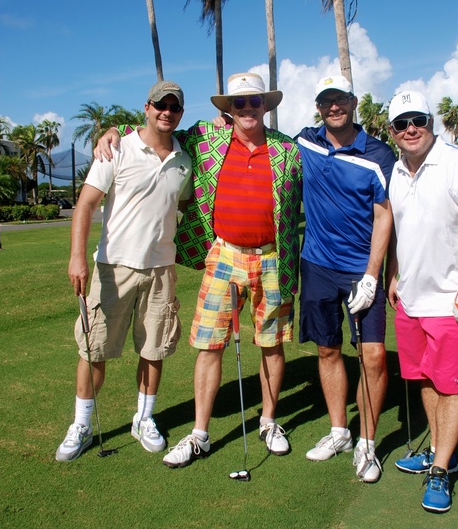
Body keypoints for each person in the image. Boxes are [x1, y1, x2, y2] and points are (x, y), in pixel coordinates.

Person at [95, 73, 303, 469]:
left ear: (265, 105)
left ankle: (268, 421)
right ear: (229, 108)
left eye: (254, 101)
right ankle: (200, 434)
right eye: (239, 102)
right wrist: (115, 130)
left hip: (272, 258)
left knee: (271, 343)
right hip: (223, 254)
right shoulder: (207, 138)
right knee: (209, 345)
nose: (247, 108)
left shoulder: (287, 149)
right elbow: (157, 131)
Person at [55, 81, 192, 462]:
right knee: (94, 349)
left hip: (161, 269)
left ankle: (143, 419)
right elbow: (85, 205)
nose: (167, 112)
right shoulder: (116, 148)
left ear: (181, 113)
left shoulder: (185, 159)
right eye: (160, 105)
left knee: (154, 349)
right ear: (147, 107)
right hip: (113, 267)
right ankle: (82, 425)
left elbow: (182, 205)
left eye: (174, 107)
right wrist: (77, 258)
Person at [385, 90, 458, 512]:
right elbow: (403, 229)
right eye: (402, 123)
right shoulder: (397, 171)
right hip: (411, 298)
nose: (411, 129)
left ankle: (441, 469)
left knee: (451, 383)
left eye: (418, 120)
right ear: (392, 130)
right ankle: (436, 450)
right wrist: (394, 273)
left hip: (452, 300)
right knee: (426, 378)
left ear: (431, 122)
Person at [295, 76, 395, 483]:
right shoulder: (305, 142)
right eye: (326, 101)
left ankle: (367, 443)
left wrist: (373, 275)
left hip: (359, 270)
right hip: (317, 265)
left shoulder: (378, 154)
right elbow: (256, 135)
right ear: (318, 106)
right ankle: (340, 432)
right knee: (327, 350)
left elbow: (385, 215)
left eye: (340, 99)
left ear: (353, 102)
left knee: (372, 355)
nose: (333, 107)